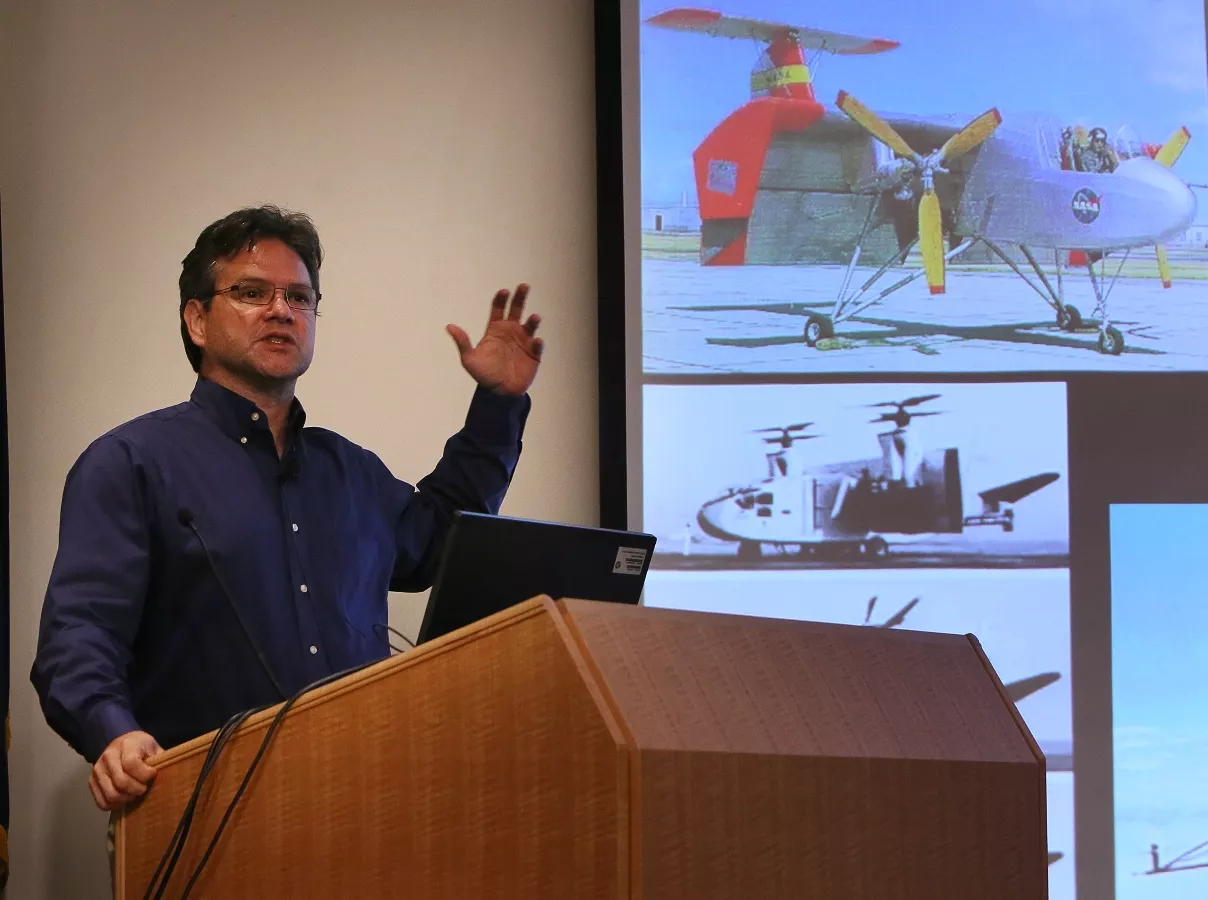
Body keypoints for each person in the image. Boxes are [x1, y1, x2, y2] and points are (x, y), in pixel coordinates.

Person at [30, 205, 544, 818]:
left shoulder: (350, 471)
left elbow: (439, 542)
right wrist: (111, 731)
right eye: (251, 292)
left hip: (364, 802)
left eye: (300, 297)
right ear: (197, 319)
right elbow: (80, 632)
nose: (281, 310)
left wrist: (496, 405)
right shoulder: (131, 463)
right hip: (200, 812)